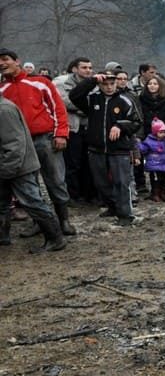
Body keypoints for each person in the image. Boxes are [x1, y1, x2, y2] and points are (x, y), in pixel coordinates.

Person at [0, 48, 74, 237]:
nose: (2, 63)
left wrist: (61, 133)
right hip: (20, 143)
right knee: (29, 185)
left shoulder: (40, 83)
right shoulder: (2, 89)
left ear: (17, 61)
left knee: (56, 180)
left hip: (45, 138)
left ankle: (64, 220)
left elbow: (58, 108)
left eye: (5, 59)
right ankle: (40, 222)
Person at [69, 69, 142, 226]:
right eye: (105, 84)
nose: (109, 87)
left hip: (119, 149)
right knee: (101, 183)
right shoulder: (92, 99)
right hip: (96, 148)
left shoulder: (125, 100)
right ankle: (112, 207)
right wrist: (92, 80)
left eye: (112, 83)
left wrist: (120, 126)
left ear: (116, 83)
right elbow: (74, 95)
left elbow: (137, 122)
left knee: (121, 183)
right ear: (100, 85)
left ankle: (125, 215)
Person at [0, 91, 66, 253]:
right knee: (2, 204)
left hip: (18, 166)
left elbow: (14, 145)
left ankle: (55, 239)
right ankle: (2, 237)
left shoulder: (4, 110)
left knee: (32, 202)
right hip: (7, 164)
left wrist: (6, 171)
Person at [55, 56, 95, 204]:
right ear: (75, 69)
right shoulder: (62, 82)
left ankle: (87, 194)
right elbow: (64, 101)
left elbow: (95, 102)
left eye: (90, 68)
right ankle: (72, 195)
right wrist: (85, 108)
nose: (88, 70)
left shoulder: (94, 84)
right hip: (72, 128)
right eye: (84, 68)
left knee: (87, 163)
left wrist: (86, 108)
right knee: (72, 163)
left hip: (89, 127)